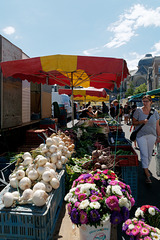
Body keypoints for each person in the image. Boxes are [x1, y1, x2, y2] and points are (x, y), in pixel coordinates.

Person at [132, 95, 160, 184]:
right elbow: (134, 122)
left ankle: (145, 168)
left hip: (152, 135)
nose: (145, 103)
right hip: (141, 135)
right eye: (143, 101)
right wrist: (141, 122)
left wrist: (158, 136)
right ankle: (147, 174)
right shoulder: (138, 111)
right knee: (144, 154)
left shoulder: (155, 112)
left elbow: (157, 125)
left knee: (148, 155)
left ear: (151, 102)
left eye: (147, 101)